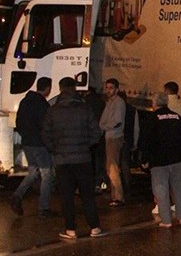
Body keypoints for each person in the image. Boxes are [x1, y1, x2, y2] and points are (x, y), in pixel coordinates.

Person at [44, 77, 108, 239]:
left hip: (62, 160)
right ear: (74, 88)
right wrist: (86, 146)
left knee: (66, 196)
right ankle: (94, 227)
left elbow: (46, 135)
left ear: (60, 89)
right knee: (87, 195)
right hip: (83, 159)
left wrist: (55, 149)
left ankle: (70, 229)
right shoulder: (85, 108)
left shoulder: (53, 110)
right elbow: (96, 132)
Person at [140, 81, 181, 227]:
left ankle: (166, 220)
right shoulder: (177, 117)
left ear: (155, 103)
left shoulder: (152, 119)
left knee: (161, 189)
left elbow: (146, 141)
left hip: (159, 161)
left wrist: (145, 159)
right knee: (178, 189)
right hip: (176, 160)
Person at [9, 77, 54, 217]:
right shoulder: (43, 105)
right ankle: (43, 208)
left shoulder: (25, 101)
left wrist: (26, 135)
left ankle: (17, 195)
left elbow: (18, 122)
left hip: (27, 143)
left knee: (33, 172)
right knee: (47, 174)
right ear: (48, 89)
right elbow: (46, 125)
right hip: (40, 144)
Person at [99, 78, 127, 207]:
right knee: (111, 166)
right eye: (107, 87)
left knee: (113, 167)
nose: (108, 90)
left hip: (114, 137)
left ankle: (118, 196)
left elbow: (116, 121)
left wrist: (104, 126)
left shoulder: (119, 103)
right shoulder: (110, 102)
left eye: (111, 88)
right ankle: (115, 194)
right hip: (109, 136)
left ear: (116, 89)